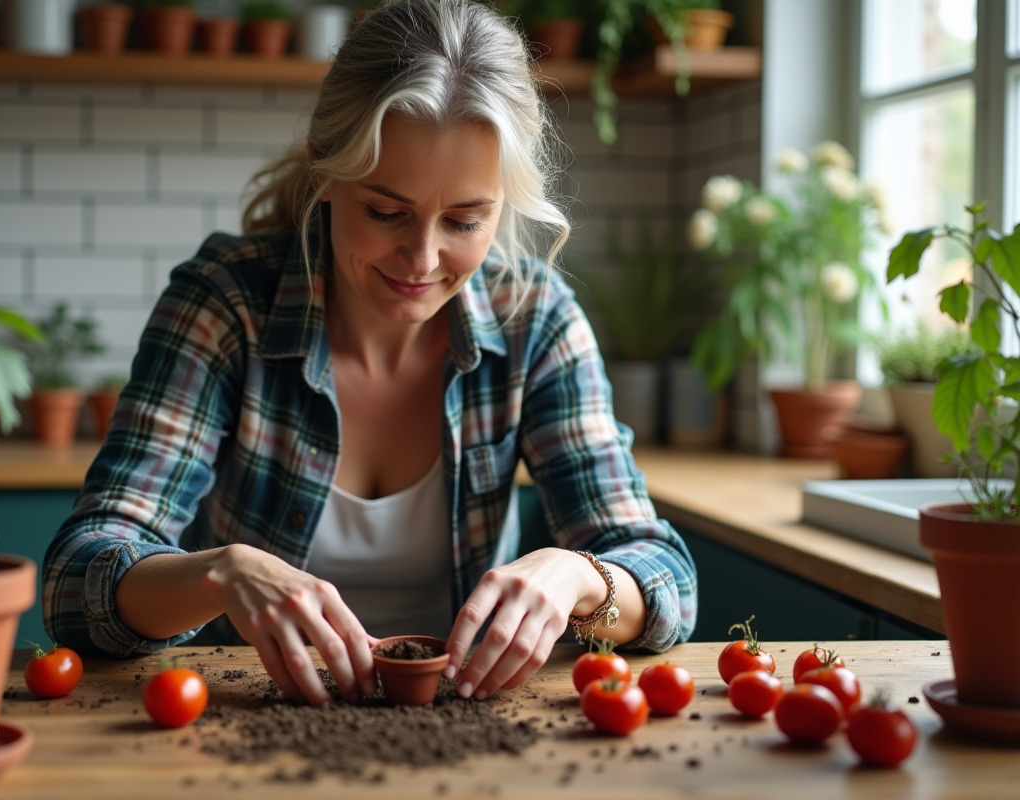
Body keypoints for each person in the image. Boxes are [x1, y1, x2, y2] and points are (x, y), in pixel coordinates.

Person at [43, 0, 697, 709]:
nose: (421, 259)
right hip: (245, 717)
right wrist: (218, 574)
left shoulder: (535, 320)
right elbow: (76, 579)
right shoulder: (227, 303)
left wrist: (579, 577)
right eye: (386, 212)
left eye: (464, 220)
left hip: (462, 725)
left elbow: (665, 577)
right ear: (325, 172)